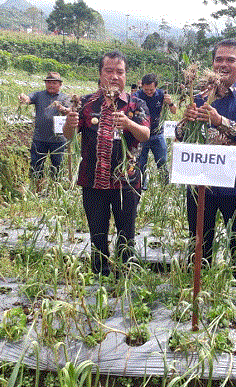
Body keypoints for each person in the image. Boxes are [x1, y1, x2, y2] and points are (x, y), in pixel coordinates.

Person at [175, 39, 236, 268]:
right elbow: (179, 133)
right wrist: (186, 120)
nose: (223, 64)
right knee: (198, 238)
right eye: (218, 59)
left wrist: (219, 121)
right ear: (212, 63)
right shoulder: (197, 95)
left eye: (230, 60)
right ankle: (197, 284)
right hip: (201, 178)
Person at [62, 51, 150, 276]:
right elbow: (69, 136)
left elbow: (145, 135)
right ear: (100, 74)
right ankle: (100, 272)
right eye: (108, 71)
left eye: (119, 72)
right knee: (97, 232)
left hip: (126, 181)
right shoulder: (87, 103)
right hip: (92, 181)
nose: (114, 76)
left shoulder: (135, 104)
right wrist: (70, 124)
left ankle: (125, 271)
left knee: (126, 232)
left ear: (126, 75)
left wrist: (129, 123)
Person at [18, 72, 69, 186]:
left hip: (58, 140)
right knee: (36, 165)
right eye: (48, 83)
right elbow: (28, 98)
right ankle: (37, 188)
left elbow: (70, 111)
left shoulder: (65, 97)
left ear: (60, 85)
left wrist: (62, 108)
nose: (51, 85)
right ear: (45, 84)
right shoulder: (39, 95)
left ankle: (56, 189)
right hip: (40, 138)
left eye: (54, 83)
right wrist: (23, 98)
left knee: (57, 166)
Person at [134, 73, 176, 190]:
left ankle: (165, 187)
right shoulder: (137, 96)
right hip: (141, 136)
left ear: (156, 87)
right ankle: (141, 185)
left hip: (157, 134)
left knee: (162, 162)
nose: (148, 92)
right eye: (146, 89)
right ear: (142, 86)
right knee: (140, 163)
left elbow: (174, 111)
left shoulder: (162, 95)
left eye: (151, 90)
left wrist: (170, 103)